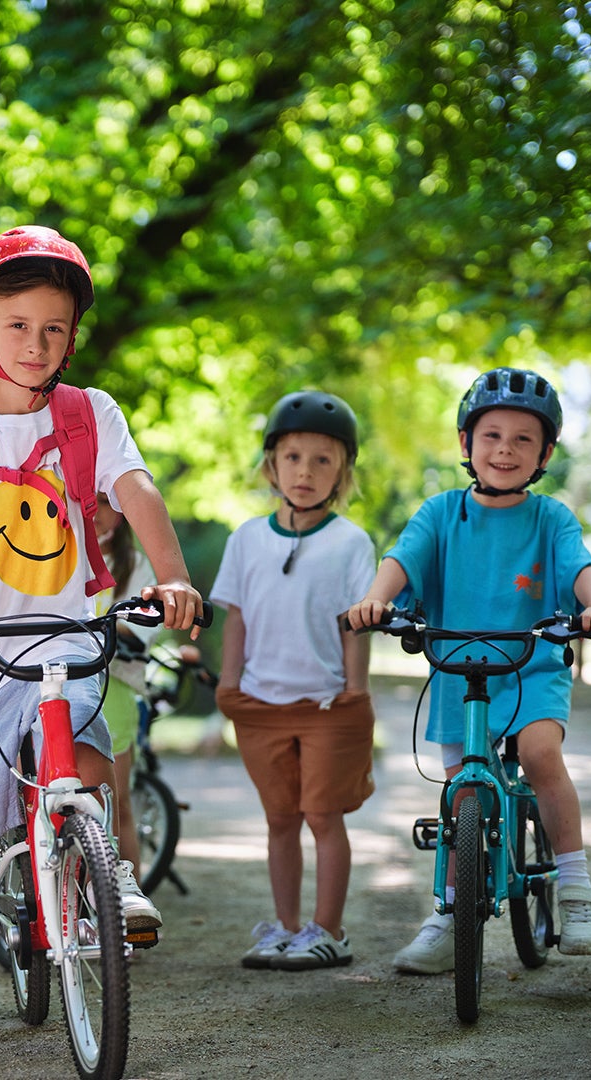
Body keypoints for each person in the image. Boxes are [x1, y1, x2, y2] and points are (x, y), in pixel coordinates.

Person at [0, 224, 204, 1047]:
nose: (36, 342)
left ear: (73, 338)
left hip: (62, 635)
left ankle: (107, 871)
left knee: (89, 756)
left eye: (54, 328)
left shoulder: (92, 415)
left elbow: (136, 488)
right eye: (17, 325)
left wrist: (172, 574)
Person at [343, 366, 591, 974]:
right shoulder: (442, 512)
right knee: (462, 793)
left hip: (531, 665)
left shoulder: (551, 518)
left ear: (545, 454)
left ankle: (576, 890)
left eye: (523, 439)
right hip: (457, 669)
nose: (505, 449)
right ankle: (447, 916)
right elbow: (402, 559)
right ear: (466, 443)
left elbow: (581, 567)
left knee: (541, 754)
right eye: (492, 435)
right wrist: (375, 599)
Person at [209, 390, 377, 972]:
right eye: (293, 457)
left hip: (329, 704)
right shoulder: (247, 538)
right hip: (260, 702)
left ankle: (328, 931)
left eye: (323, 460)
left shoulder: (351, 542)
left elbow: (357, 624)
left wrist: (355, 691)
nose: (305, 472)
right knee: (280, 819)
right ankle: (284, 928)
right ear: (272, 465)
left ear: (343, 472)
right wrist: (230, 684)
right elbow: (237, 617)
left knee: (324, 816)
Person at [94, 499, 160, 879]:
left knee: (115, 802)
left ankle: (127, 894)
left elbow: (137, 629)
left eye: (106, 502)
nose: (95, 510)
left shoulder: (133, 565)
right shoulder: (50, 554)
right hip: (46, 681)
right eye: (87, 498)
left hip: (112, 685)